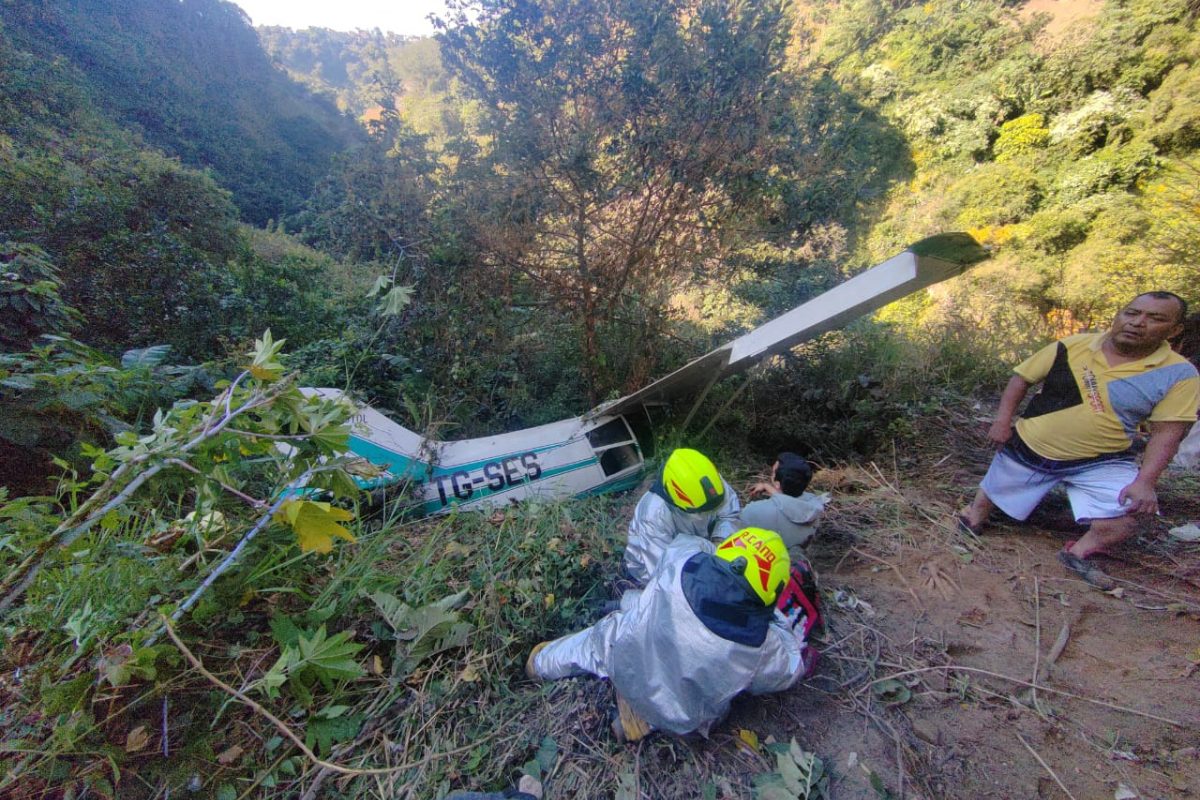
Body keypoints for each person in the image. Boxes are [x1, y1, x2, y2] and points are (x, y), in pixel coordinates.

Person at [958, 292, 1199, 587]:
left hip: (1102, 461)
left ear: (1174, 330)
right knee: (986, 501)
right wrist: (1002, 422)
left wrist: (1145, 481)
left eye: (1155, 318)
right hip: (1029, 448)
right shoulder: (1072, 345)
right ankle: (976, 514)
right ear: (1118, 315)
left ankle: (1079, 552)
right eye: (1132, 313)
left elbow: (1168, 432)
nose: (1138, 323)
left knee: (1129, 516)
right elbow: (1021, 378)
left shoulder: (1180, 374)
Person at [525, 528, 809, 741]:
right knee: (719, 701)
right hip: (680, 717)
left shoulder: (682, 557)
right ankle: (641, 721)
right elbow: (791, 667)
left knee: (602, 635)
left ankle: (541, 663)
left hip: (626, 657)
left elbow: (691, 542)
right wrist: (776, 617)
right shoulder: (761, 646)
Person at [623, 448, 740, 584]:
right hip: (653, 566)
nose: (705, 515)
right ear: (678, 500)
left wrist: (719, 543)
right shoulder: (653, 515)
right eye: (700, 511)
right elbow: (663, 571)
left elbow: (729, 514)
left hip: (704, 546)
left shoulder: (711, 483)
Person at [740, 452, 827, 554]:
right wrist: (768, 487)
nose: (771, 475)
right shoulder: (814, 505)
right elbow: (789, 503)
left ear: (777, 483)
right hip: (799, 565)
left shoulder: (753, 511)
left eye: (773, 473)